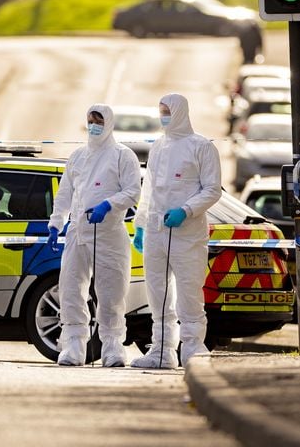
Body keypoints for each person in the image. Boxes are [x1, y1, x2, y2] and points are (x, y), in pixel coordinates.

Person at [131, 93, 221, 369]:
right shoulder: (158, 146)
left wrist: (187, 210)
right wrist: (141, 226)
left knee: (189, 293)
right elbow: (149, 191)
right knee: (157, 294)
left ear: (181, 111)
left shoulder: (202, 147)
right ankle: (160, 351)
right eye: (161, 111)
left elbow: (212, 190)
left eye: (167, 111)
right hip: (157, 233)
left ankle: (193, 349)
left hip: (188, 235)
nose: (163, 116)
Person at [47, 104, 141, 367]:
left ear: (109, 123)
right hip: (77, 232)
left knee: (111, 292)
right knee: (70, 290)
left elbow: (133, 192)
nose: (94, 125)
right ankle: (74, 345)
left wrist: (108, 205)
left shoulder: (123, 156)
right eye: (90, 120)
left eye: (99, 120)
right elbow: (65, 194)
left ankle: (112, 346)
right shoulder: (77, 156)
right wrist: (56, 223)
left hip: (109, 233)